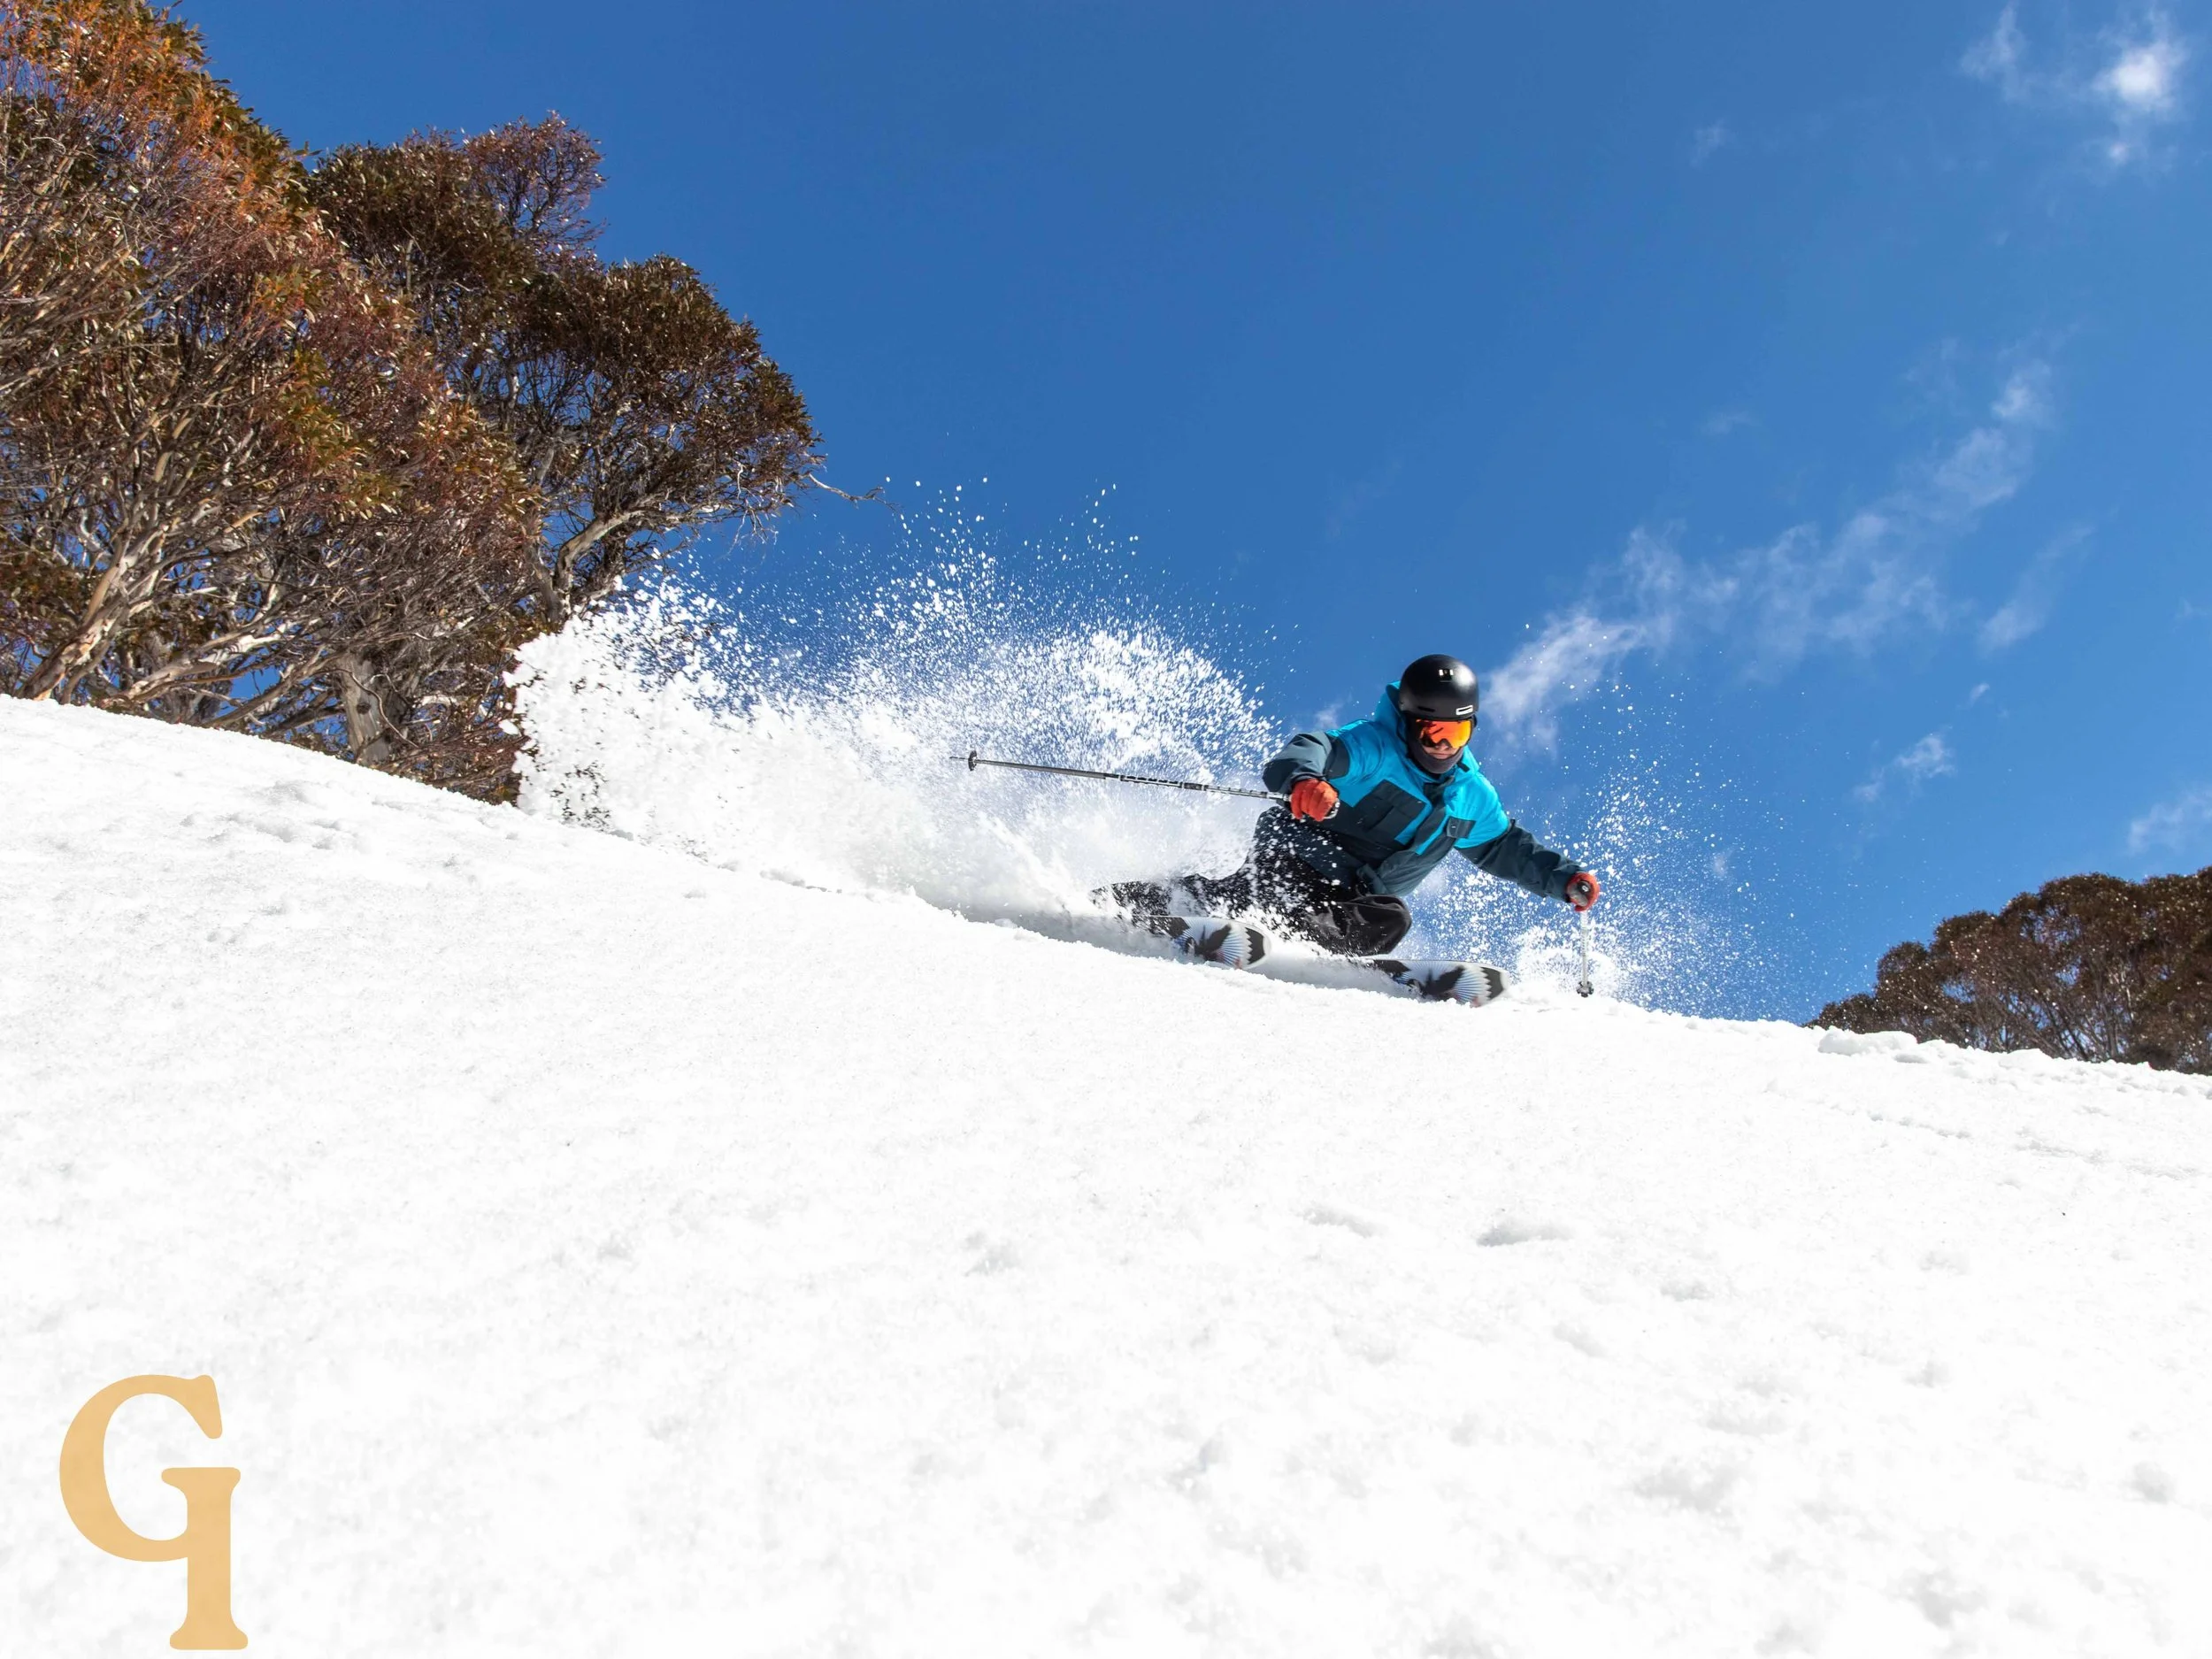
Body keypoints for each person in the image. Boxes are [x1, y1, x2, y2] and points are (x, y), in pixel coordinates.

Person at [1113, 653, 1600, 956]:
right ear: (1409, 723)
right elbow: (1313, 747)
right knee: (1243, 896)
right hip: (1299, 855)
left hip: (1350, 897)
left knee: (1391, 920)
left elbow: (1504, 848)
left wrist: (1563, 878)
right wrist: (1305, 779)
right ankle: (1135, 900)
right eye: (1432, 732)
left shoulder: (1471, 795)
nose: (1442, 746)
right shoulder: (1375, 748)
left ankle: (1289, 936)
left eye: (1457, 732)